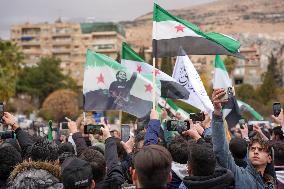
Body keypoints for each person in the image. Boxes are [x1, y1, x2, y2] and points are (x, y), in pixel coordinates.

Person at [211, 88, 276, 189]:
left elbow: (272, 148)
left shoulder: (271, 182)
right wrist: (217, 113)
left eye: (261, 149)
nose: (256, 152)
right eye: (253, 149)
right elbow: (221, 151)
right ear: (247, 153)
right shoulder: (239, 175)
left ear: (269, 158)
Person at [67, 119, 124, 189]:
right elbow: (114, 166)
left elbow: (83, 152)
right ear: (106, 169)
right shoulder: (114, 183)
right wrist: (108, 137)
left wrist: (75, 132)